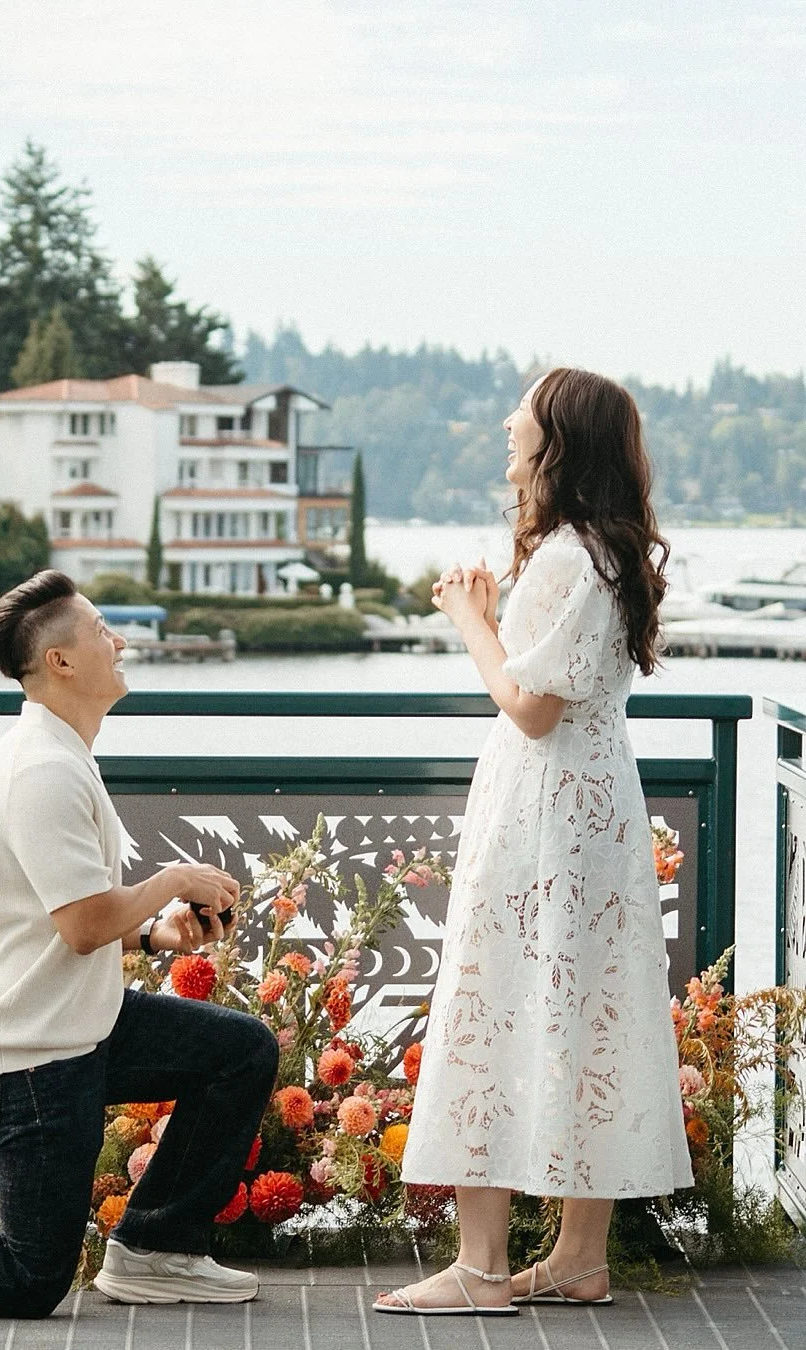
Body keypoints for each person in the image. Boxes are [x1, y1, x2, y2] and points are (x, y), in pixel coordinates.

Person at [0, 569, 279, 1318]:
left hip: (79, 1025)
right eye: (100, 630)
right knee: (28, 1276)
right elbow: (83, 923)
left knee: (239, 1051)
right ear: (60, 660)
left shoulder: (61, 752)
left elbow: (63, 914)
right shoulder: (42, 769)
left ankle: (155, 1250)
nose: (118, 641)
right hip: (31, 1055)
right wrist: (170, 880)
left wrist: (155, 932)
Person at [375, 368, 692, 1317]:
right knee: (586, 1014)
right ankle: (577, 1258)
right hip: (595, 812)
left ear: (558, 440)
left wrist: (469, 619)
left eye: (524, 411)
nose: (508, 423)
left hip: (544, 818)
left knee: (500, 1005)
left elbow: (531, 707)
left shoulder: (563, 558)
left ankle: (481, 1268)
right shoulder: (604, 553)